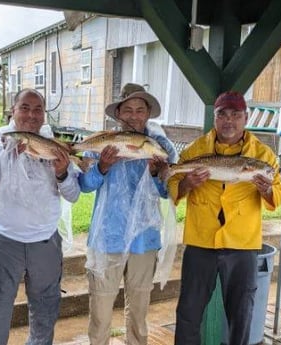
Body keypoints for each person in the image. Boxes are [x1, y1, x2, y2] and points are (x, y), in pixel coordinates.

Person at [168, 91, 281, 345]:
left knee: (241, 312)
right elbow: (173, 186)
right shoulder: (195, 150)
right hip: (201, 241)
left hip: (242, 243)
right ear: (215, 118)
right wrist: (187, 183)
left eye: (236, 115)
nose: (228, 121)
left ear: (245, 118)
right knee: (189, 310)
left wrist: (265, 188)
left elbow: (278, 193)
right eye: (222, 115)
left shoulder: (263, 156)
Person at [0, 88, 81, 345]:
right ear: (13, 110)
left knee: (45, 310)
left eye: (37, 110)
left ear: (44, 115)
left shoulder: (53, 146)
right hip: (5, 239)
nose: (31, 115)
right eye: (25, 108)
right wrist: (4, 156)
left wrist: (63, 172)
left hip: (45, 241)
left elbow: (73, 194)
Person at [78, 85, 178, 345]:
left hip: (144, 239)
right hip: (107, 235)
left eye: (140, 110)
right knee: (100, 310)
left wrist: (157, 172)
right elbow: (85, 186)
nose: (134, 116)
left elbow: (169, 192)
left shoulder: (159, 145)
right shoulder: (103, 142)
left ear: (147, 115)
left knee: (139, 311)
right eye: (128, 110)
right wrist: (102, 166)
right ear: (119, 114)